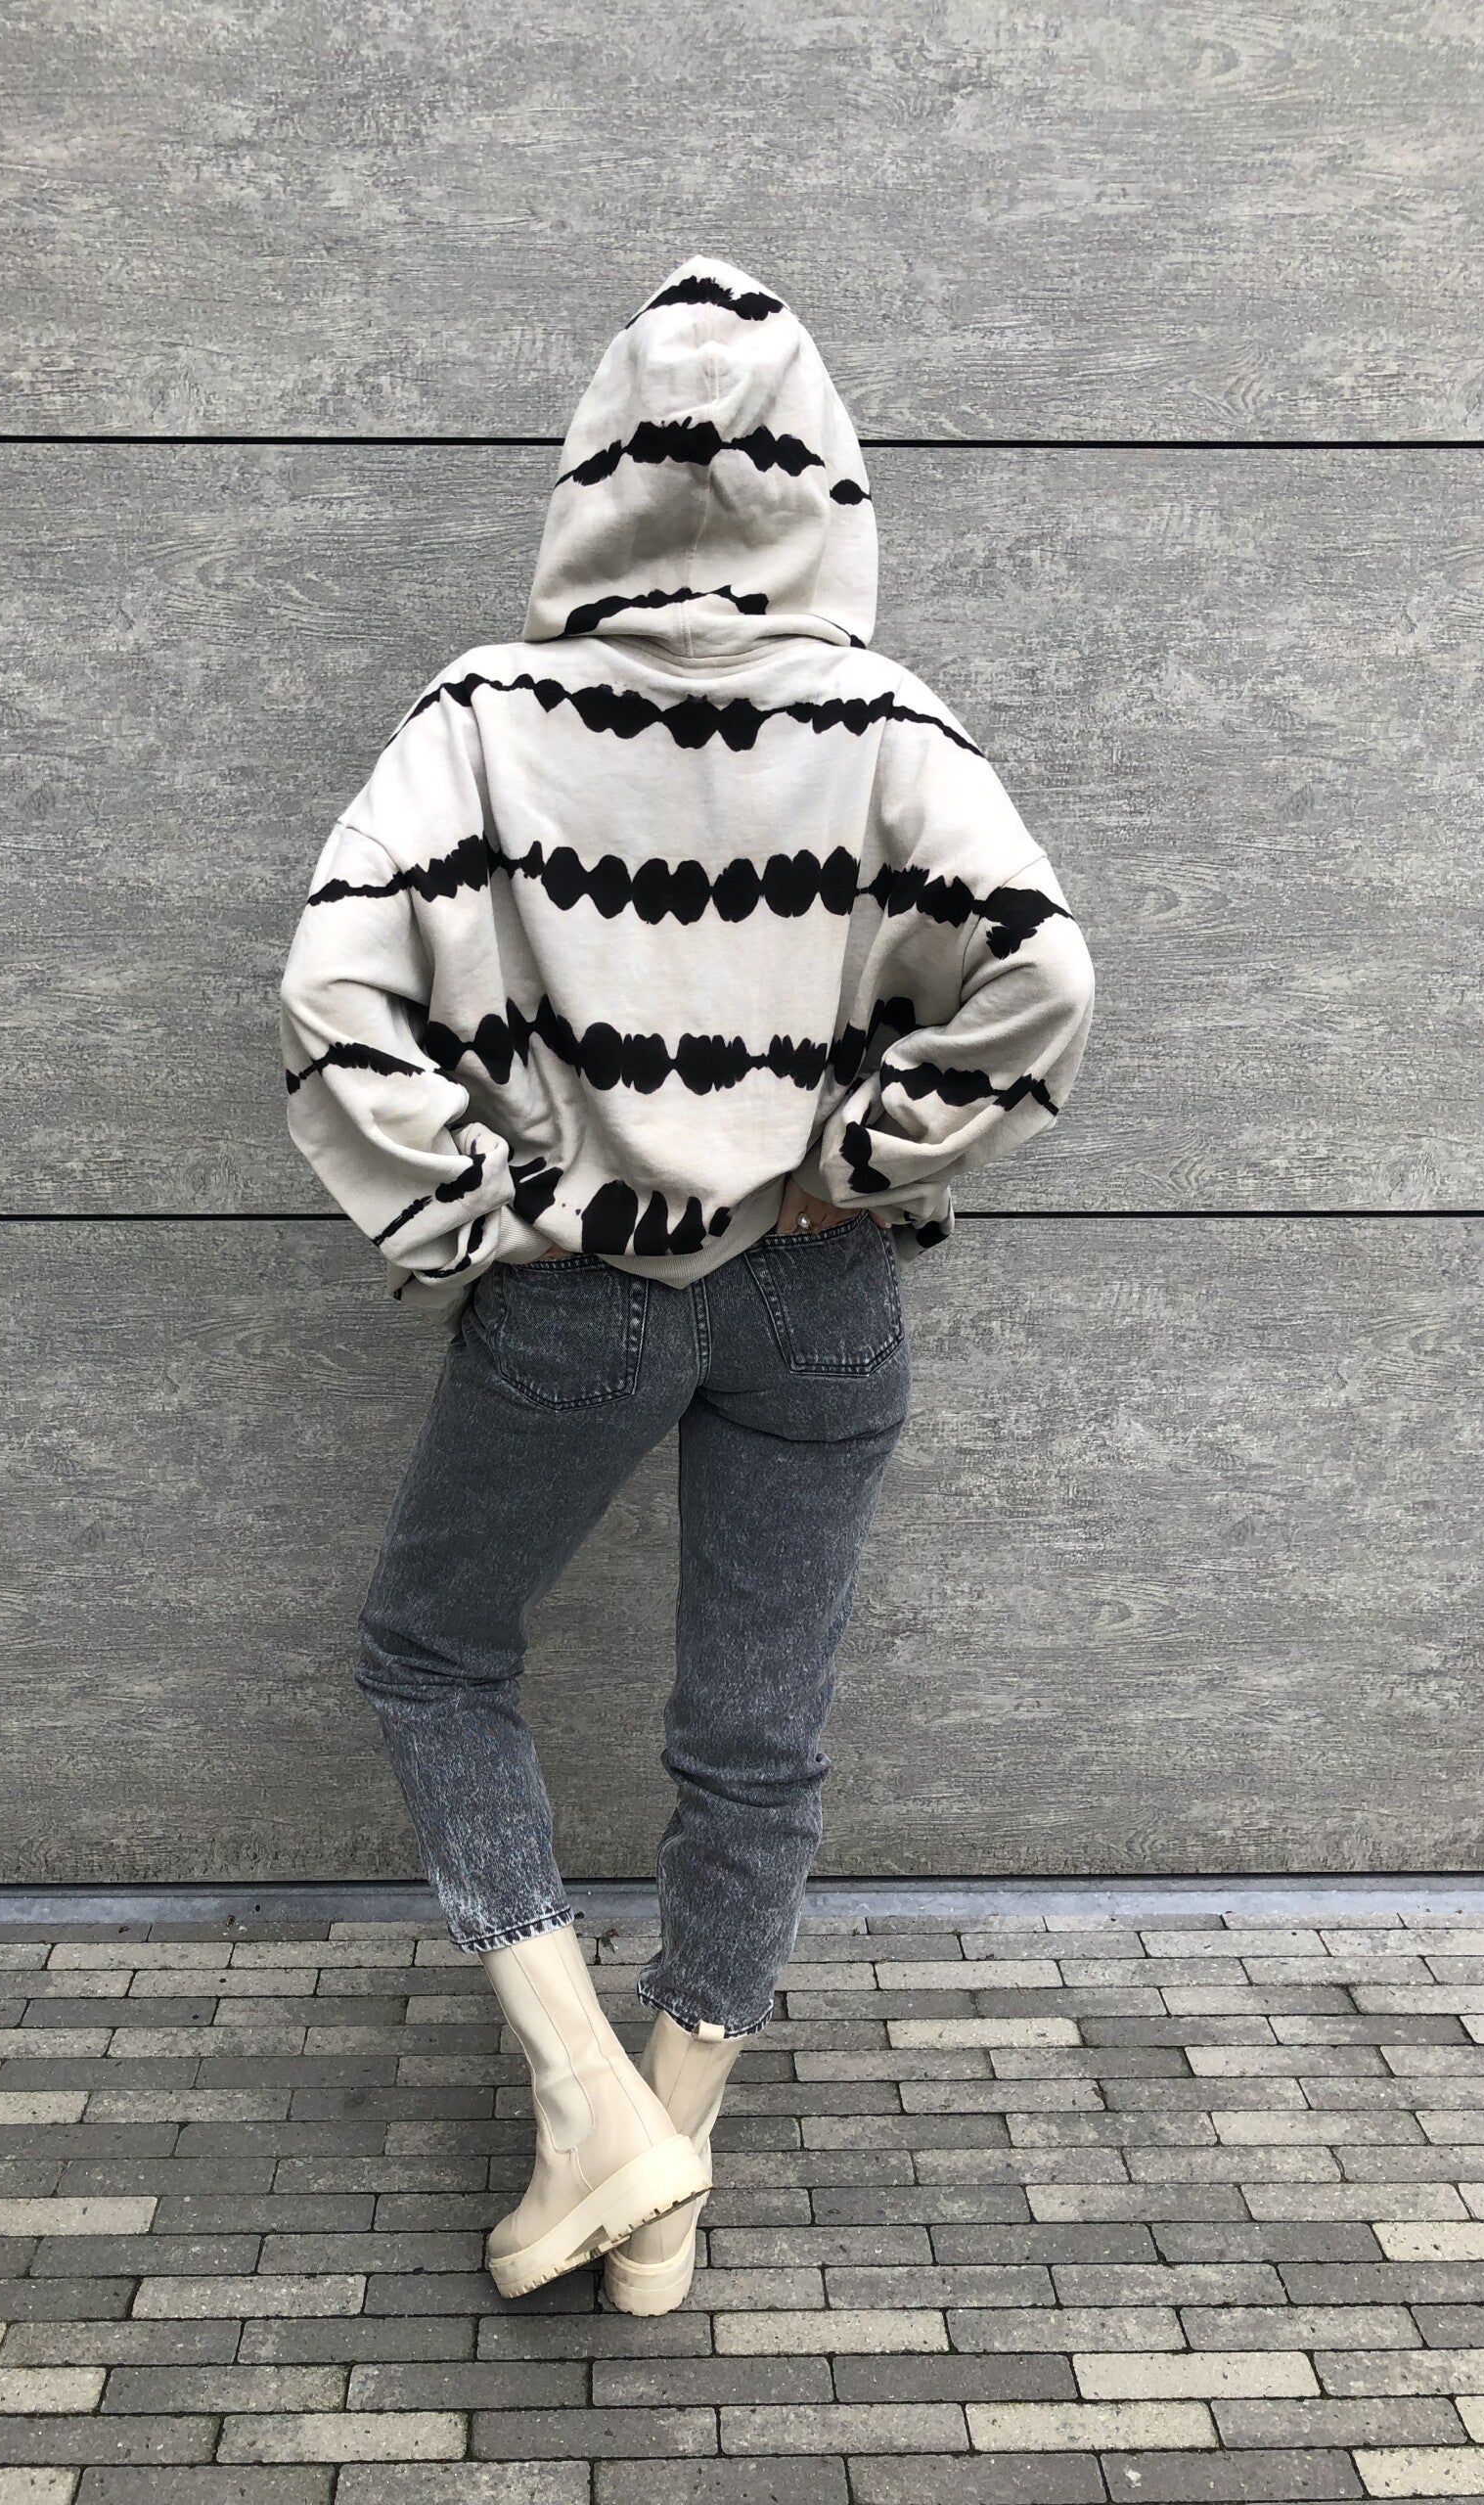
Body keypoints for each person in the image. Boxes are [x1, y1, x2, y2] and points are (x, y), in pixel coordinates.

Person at [278, 254, 1097, 2311]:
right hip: (820, 1295)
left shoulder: (488, 715)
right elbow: (1042, 973)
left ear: (596, 467)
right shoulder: (885, 724)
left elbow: (335, 992)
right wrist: (855, 1164)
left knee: (431, 1655)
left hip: (590, 1288)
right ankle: (672, 2158)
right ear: (826, 471)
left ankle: (592, 2111)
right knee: (755, 1734)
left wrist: (495, 1200)